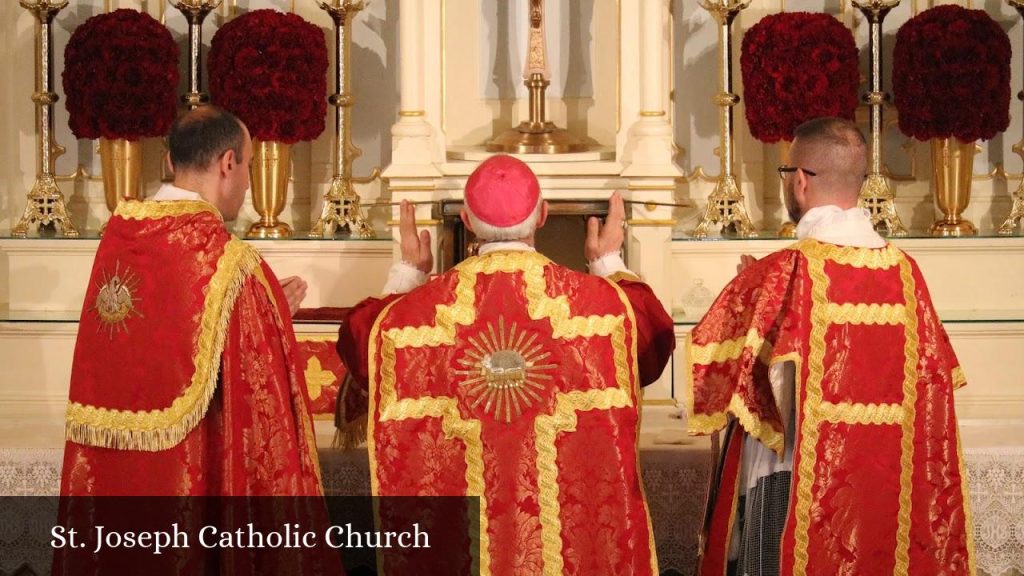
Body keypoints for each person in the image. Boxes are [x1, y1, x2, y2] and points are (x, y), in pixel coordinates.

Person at [336, 155, 676, 575]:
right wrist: (608, 261)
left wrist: (408, 274)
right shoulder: (600, 309)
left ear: (466, 220)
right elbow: (653, 336)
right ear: (543, 216)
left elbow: (359, 340)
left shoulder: (415, 316)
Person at [686, 117, 974, 575]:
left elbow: (727, 374)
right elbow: (932, 393)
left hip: (790, 489)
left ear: (799, 181)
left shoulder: (784, 272)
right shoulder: (906, 274)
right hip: (882, 493)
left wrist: (750, 294)